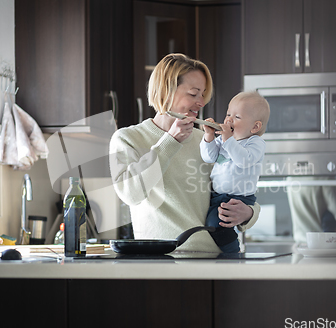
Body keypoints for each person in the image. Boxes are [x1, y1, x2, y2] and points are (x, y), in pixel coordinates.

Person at [109, 53, 260, 252]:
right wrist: (170, 142)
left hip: (214, 258)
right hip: (162, 261)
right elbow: (131, 194)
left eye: (203, 94)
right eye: (193, 93)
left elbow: (237, 184)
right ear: (167, 91)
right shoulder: (127, 138)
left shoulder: (205, 141)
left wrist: (249, 213)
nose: (201, 102)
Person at [200, 91, 270, 252]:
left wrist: (228, 139)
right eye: (228, 114)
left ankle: (232, 253)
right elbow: (208, 157)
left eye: (237, 117)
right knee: (213, 225)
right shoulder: (223, 139)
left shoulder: (255, 142)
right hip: (217, 196)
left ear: (255, 126)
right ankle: (230, 251)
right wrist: (209, 136)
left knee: (216, 225)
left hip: (240, 198)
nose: (229, 120)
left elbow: (244, 161)